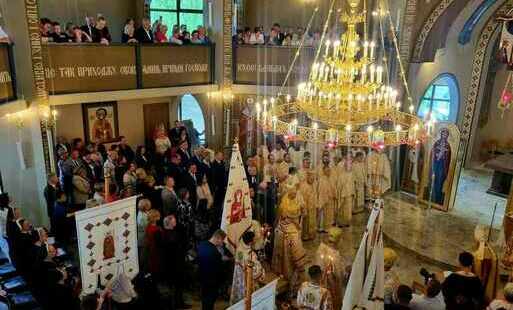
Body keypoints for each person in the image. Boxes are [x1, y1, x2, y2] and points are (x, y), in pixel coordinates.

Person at [272, 186, 307, 293]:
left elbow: (303, 211)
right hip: (286, 231)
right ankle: (285, 275)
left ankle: (290, 275)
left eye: (295, 193)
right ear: (288, 193)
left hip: (293, 229)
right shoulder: (284, 203)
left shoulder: (298, 199)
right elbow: (281, 216)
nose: (294, 195)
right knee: (285, 256)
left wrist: (301, 214)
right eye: (292, 194)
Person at [160, 215, 191, 309]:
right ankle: (178, 304)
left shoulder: (164, 233)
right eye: (174, 220)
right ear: (169, 222)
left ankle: (176, 303)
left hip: (171, 264)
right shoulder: (171, 235)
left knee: (175, 287)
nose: (176, 221)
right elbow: (178, 250)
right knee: (177, 286)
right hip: (175, 265)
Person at [314, 227, 348, 309]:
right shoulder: (335, 256)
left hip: (320, 283)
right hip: (332, 286)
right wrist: (346, 272)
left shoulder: (320, 248)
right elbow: (339, 274)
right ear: (339, 240)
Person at [230, 231, 265, 304]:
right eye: (253, 239)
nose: (254, 240)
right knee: (248, 296)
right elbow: (253, 269)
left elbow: (239, 261)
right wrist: (261, 269)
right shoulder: (249, 253)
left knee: (241, 292)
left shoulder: (240, 247)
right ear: (250, 242)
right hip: (247, 278)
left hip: (240, 276)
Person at [197, 229, 227, 310]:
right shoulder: (215, 252)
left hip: (202, 278)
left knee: (205, 300)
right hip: (212, 281)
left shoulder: (201, 244)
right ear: (218, 238)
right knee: (210, 302)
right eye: (222, 240)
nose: (222, 243)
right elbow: (219, 269)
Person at [336, 158, 354, 227]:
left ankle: (347, 222)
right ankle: (341, 222)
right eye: (347, 165)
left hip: (349, 194)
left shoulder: (351, 174)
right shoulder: (341, 175)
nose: (349, 167)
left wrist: (353, 193)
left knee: (348, 209)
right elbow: (339, 185)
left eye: (350, 165)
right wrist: (340, 193)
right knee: (342, 209)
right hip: (343, 194)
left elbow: (352, 184)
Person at [145, 209, 162, 278]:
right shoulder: (157, 229)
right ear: (155, 218)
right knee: (156, 261)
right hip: (156, 248)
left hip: (150, 246)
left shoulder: (148, 227)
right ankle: (156, 274)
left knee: (151, 260)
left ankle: (152, 272)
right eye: (158, 216)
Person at [137, 199, 151, 271]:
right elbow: (147, 227)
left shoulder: (140, 213)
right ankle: (143, 269)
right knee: (143, 254)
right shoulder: (143, 217)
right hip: (143, 238)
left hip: (141, 236)